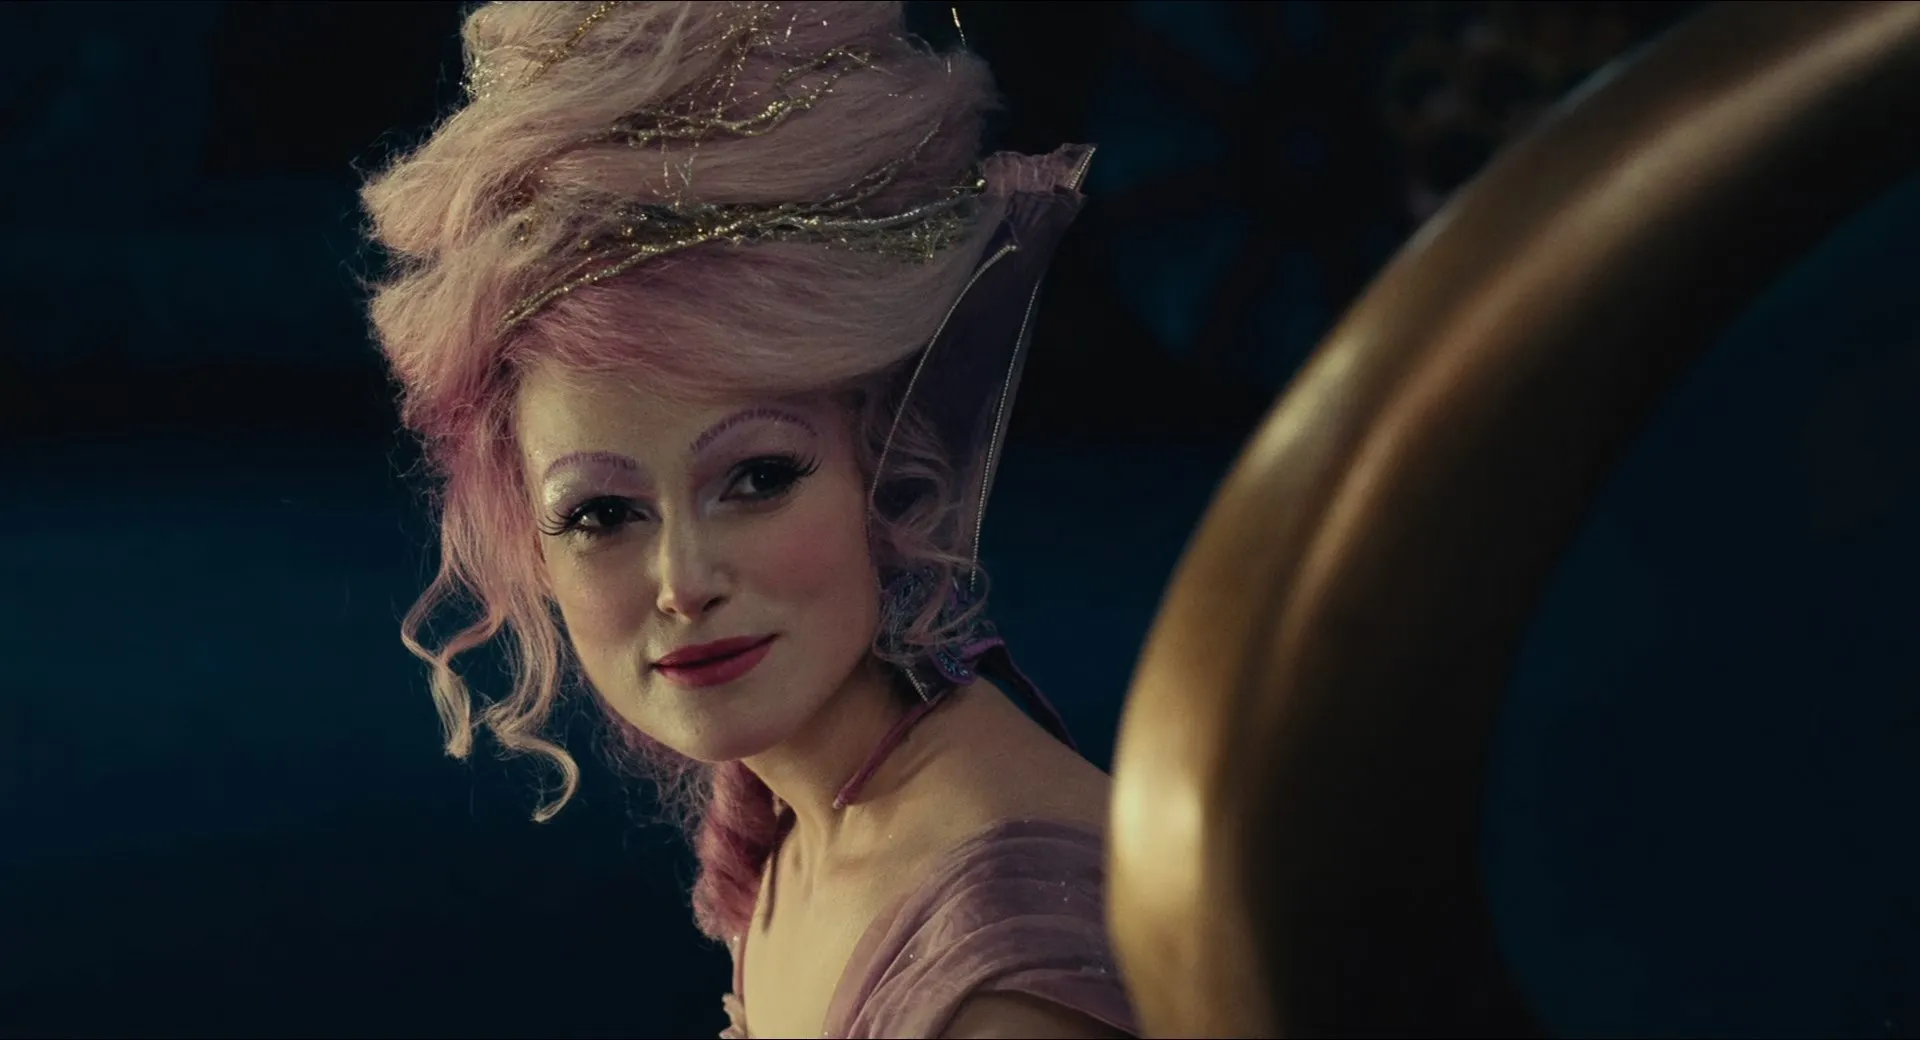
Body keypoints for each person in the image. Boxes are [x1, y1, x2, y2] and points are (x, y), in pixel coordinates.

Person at [360, 2, 1135, 1036]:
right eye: (601, 512)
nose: (683, 580)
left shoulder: (992, 975)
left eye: (759, 478)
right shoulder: (808, 826)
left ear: (885, 468)